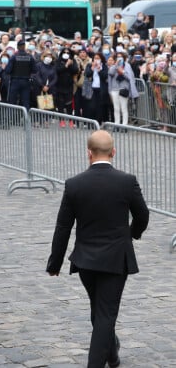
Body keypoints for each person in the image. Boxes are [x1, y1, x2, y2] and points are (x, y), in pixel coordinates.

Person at [46, 130, 149, 368]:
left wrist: (55, 263)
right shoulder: (127, 181)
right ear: (114, 152)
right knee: (104, 314)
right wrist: (132, 234)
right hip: (115, 260)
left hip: (86, 261)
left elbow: (63, 227)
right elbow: (142, 215)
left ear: (88, 153)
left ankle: (112, 355)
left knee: (100, 311)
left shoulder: (74, 185)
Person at [5, 40, 37, 110]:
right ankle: (26, 118)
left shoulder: (14, 57)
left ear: (17, 47)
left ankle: (12, 118)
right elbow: (35, 70)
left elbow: (7, 71)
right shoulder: (30, 57)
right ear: (24, 47)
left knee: (12, 101)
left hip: (15, 81)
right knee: (26, 101)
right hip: (26, 81)